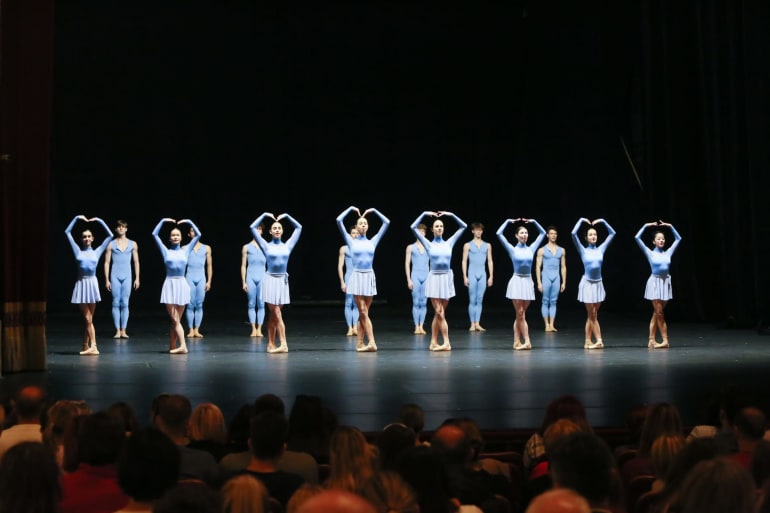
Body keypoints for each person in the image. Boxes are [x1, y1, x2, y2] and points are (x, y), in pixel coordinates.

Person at [336, 205, 390, 352]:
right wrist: (350, 209)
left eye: (365, 223)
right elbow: (338, 220)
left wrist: (374, 210)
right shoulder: (351, 241)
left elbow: (386, 223)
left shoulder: (373, 241)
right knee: (363, 312)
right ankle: (371, 342)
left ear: (368, 226)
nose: (363, 225)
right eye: (361, 223)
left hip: (369, 276)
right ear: (357, 226)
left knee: (363, 313)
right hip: (357, 276)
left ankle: (360, 342)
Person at [411, 211, 467, 351]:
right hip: (434, 278)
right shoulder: (428, 244)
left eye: (441, 226)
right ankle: (446, 342)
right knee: (439, 312)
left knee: (440, 313)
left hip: (446, 277)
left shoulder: (449, 242)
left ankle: (433, 342)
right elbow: (413, 227)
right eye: (437, 226)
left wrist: (451, 215)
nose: (439, 228)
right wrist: (423, 213)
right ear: (432, 229)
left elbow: (463, 226)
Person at [250, 212, 302, 353]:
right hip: (270, 280)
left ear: (282, 231)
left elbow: (299, 228)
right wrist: (264, 215)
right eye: (275, 228)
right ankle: (284, 344)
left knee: (273, 315)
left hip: (282, 281)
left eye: (279, 228)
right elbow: (252, 227)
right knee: (277, 313)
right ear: (270, 231)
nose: (277, 230)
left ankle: (271, 343)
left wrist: (287, 216)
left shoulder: (288, 245)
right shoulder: (265, 245)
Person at [65, 214, 114, 355]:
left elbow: (110, 235)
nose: (86, 238)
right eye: (84, 237)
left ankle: (85, 345)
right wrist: (76, 218)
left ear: (92, 239)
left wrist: (99, 220)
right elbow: (67, 232)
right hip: (81, 284)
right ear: (81, 239)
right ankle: (94, 346)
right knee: (87, 318)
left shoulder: (97, 251)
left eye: (89, 236)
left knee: (89, 320)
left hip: (92, 284)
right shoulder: (77, 251)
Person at [152, 217, 201, 354]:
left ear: (181, 238)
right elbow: (154, 235)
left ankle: (182, 346)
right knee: (175, 320)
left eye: (177, 235)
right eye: (173, 235)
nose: (175, 237)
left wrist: (189, 222)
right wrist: (162, 221)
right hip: (169, 284)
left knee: (176, 320)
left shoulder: (186, 250)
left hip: (181, 284)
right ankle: (174, 346)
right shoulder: (165, 251)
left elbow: (198, 235)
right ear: (169, 238)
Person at [497, 218, 546, 350]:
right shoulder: (512, 249)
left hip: (528, 281)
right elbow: (498, 234)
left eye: (526, 233)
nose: (524, 235)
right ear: (516, 236)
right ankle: (527, 341)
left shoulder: (532, 248)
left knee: (521, 314)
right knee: (520, 312)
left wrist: (534, 221)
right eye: (522, 233)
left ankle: (516, 341)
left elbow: (543, 233)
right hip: (517, 281)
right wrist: (507, 221)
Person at [635, 220, 682, 348]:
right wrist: (645, 225)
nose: (661, 240)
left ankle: (651, 339)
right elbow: (637, 238)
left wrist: (670, 226)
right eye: (659, 239)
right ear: (654, 241)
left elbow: (678, 239)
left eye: (663, 239)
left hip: (665, 283)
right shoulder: (650, 253)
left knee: (657, 313)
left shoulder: (668, 253)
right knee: (660, 313)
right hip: (655, 283)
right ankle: (665, 341)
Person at [571, 217, 615, 349]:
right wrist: (581, 220)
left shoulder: (601, 249)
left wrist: (602, 221)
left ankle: (587, 341)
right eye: (590, 234)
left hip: (598, 284)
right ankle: (599, 340)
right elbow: (573, 234)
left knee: (592, 315)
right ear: (586, 238)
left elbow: (612, 233)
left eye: (595, 234)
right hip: (587, 284)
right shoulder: (583, 250)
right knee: (592, 314)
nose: (593, 236)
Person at [103, 219, 140, 339]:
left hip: (127, 276)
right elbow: (107, 262)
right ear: (116, 229)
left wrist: (137, 278)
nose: (121, 228)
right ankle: (117, 330)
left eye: (123, 227)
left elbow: (136, 262)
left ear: (126, 229)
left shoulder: (133, 244)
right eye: (119, 226)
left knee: (125, 303)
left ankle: (123, 330)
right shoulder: (111, 244)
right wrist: (107, 279)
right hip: (115, 275)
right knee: (115, 302)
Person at [461, 222, 494, 332]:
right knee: (472, 299)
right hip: (472, 273)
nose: (478, 231)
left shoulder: (487, 245)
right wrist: (465, 276)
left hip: (482, 274)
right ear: (473, 231)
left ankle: (477, 323)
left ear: (482, 231)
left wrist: (491, 276)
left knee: (479, 299)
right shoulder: (467, 245)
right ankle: (472, 323)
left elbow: (490, 261)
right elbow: (464, 261)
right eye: (476, 230)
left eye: (480, 230)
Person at [535, 225, 566, 332]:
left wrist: (564, 282)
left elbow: (563, 267)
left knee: (553, 301)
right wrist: (539, 282)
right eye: (551, 234)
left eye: (555, 234)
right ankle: (546, 325)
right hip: (546, 277)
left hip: (556, 277)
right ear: (547, 235)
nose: (553, 235)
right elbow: (538, 267)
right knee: (545, 301)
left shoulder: (561, 250)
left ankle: (552, 325)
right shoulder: (541, 250)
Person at [184, 226, 213, 339]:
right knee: (190, 305)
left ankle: (197, 329)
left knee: (199, 304)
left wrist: (209, 281)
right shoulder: (185, 248)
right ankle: (191, 330)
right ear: (188, 234)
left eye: (195, 230)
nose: (194, 232)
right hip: (189, 278)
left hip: (201, 278)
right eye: (191, 230)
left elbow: (209, 265)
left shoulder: (206, 248)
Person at [241, 223, 267, 337]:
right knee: (251, 304)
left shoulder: (266, 246)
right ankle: (253, 329)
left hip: (263, 277)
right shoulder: (246, 247)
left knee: (261, 304)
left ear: (262, 231)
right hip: (251, 277)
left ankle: (260, 329)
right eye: (256, 229)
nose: (258, 231)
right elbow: (243, 265)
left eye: (260, 229)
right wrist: (243, 282)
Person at [405, 223, 429, 335]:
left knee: (423, 302)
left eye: (423, 232)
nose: (421, 233)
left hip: (426, 276)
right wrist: (409, 279)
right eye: (419, 231)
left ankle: (421, 326)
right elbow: (407, 263)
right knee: (416, 302)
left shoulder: (429, 246)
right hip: (415, 276)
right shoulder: (410, 247)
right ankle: (416, 326)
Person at [338, 225, 360, 337]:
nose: (355, 235)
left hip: (358, 278)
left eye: (357, 233)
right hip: (349, 277)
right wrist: (342, 282)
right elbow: (340, 266)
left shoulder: (361, 248)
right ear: (350, 235)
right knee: (348, 302)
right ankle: (349, 328)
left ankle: (355, 327)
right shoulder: (344, 248)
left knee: (356, 304)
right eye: (353, 233)